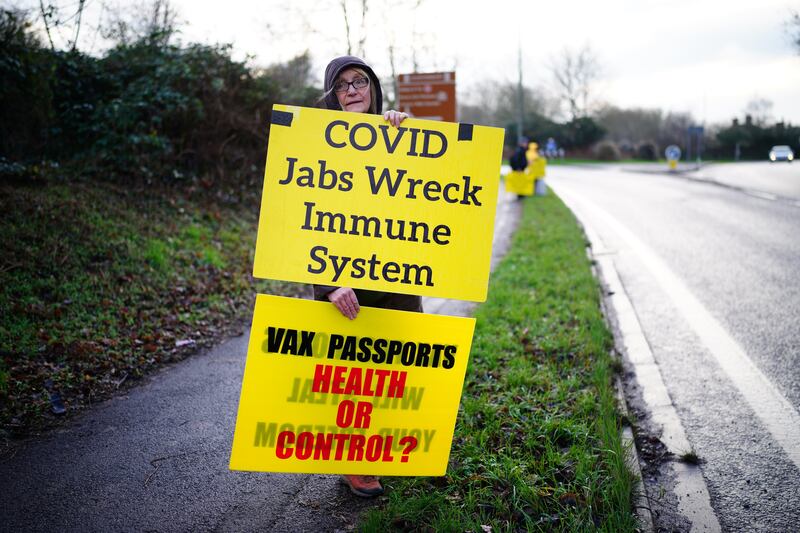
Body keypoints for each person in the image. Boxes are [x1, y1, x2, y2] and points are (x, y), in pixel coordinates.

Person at [315, 55, 423, 498]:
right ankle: (356, 462)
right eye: (342, 86)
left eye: (360, 81)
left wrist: (411, 137)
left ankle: (393, 448)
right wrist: (327, 286)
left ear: (374, 88)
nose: (353, 90)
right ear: (332, 97)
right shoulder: (314, 145)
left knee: (394, 370)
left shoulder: (396, 132)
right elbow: (304, 222)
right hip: (345, 282)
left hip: (397, 279)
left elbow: (431, 199)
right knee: (353, 375)